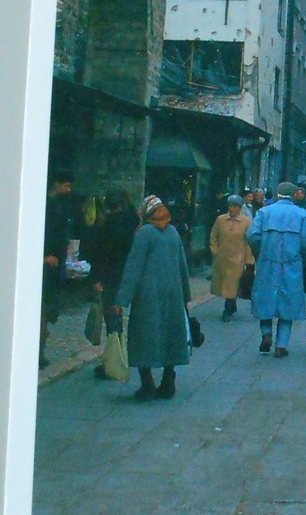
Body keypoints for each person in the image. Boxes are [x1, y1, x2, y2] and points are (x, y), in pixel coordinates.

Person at [113, 194, 192, 401]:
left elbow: (134, 267)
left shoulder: (145, 233)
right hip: (173, 294)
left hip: (148, 296)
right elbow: (182, 265)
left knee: (143, 336)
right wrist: (185, 296)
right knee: (170, 337)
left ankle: (147, 384)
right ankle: (168, 382)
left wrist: (122, 299)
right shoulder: (173, 232)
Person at [245, 181, 306, 358]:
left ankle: (266, 333)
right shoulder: (302, 214)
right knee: (288, 304)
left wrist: (259, 252)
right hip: (292, 263)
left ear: (277, 193)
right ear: (293, 194)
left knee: (264, 299)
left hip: (267, 262)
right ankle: (281, 345)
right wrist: (301, 259)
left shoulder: (264, 212)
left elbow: (252, 235)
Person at [86, 189, 140, 371]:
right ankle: (119, 354)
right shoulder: (132, 221)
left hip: (110, 275)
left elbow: (102, 254)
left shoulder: (109, 225)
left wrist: (97, 278)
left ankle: (113, 360)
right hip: (125, 274)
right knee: (116, 315)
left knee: (111, 316)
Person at [40, 169, 75, 368]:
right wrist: (45, 256)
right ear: (57, 185)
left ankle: (40, 350)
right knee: (43, 309)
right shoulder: (48, 206)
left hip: (56, 265)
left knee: (48, 309)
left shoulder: (62, 206)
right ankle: (37, 352)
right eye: (66, 185)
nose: (69, 189)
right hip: (47, 264)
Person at [208, 195, 254, 322]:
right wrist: (215, 252)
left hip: (238, 259)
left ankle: (228, 309)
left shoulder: (246, 222)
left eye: (235, 206)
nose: (232, 209)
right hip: (222, 258)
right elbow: (213, 236)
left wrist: (249, 262)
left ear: (239, 208)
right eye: (230, 206)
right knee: (226, 286)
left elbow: (248, 243)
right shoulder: (220, 220)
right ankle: (231, 305)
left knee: (231, 286)